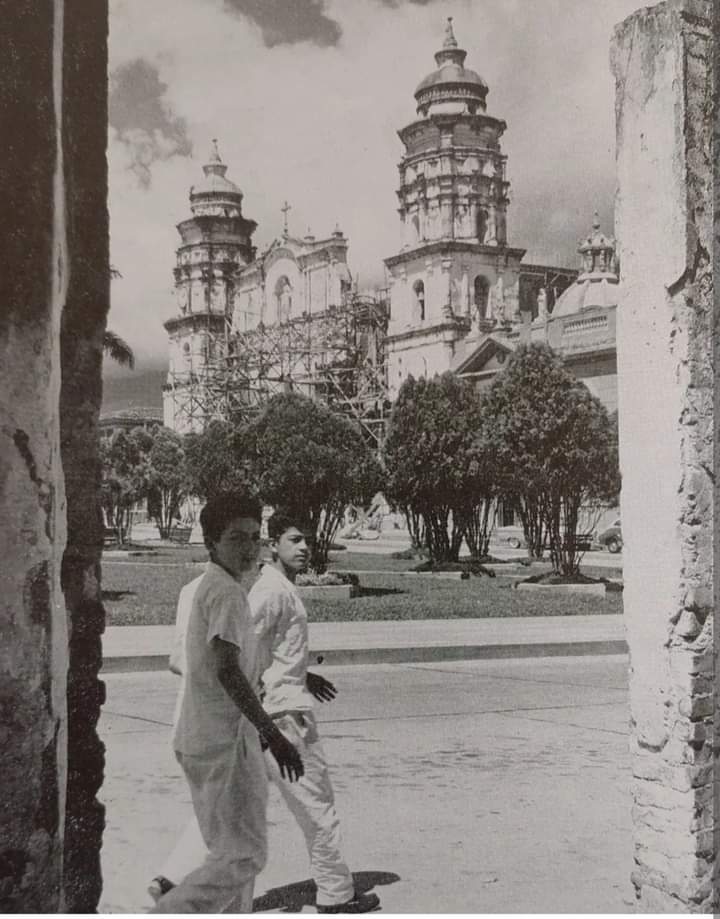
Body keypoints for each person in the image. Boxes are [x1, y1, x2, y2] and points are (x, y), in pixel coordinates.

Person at [149, 510, 380, 914]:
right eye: (294, 540)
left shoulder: (263, 588)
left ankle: (173, 879)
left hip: (263, 713)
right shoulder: (266, 591)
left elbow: (251, 650)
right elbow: (230, 657)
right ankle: (336, 893)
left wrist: (301, 671)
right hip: (280, 717)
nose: (305, 548)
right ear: (274, 546)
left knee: (230, 815)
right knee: (316, 808)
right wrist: (272, 721)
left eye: (307, 540)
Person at [149, 494, 304, 914]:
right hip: (223, 743)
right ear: (211, 541)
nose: (248, 547)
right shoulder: (227, 594)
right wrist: (273, 735)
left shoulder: (212, 586)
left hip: (205, 737)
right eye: (236, 537)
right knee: (244, 855)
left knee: (227, 851)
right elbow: (227, 670)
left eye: (255, 537)